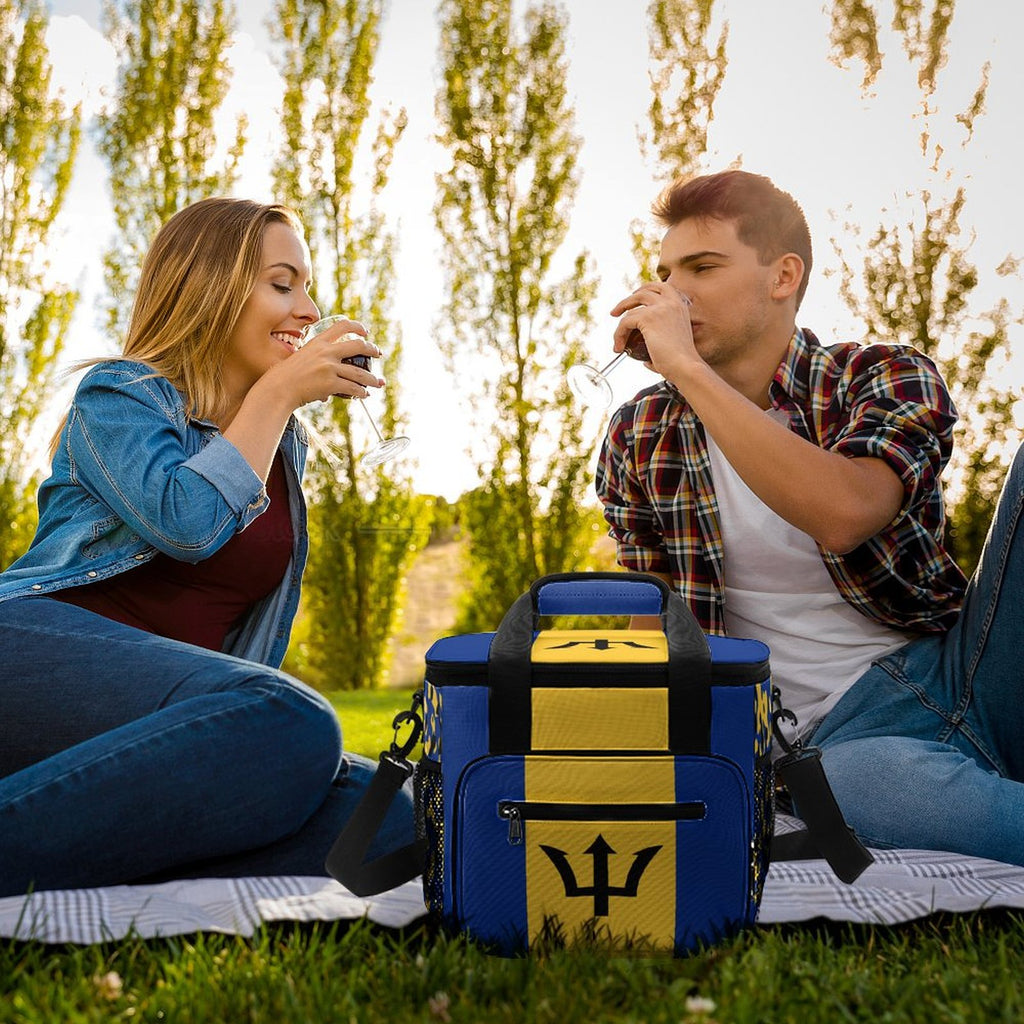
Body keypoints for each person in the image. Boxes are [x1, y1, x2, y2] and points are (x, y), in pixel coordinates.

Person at [596, 168, 1024, 865]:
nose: (673, 293)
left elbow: (848, 512)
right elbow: (662, 630)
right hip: (838, 744)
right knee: (851, 788)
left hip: (958, 672)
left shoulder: (881, 375)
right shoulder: (639, 434)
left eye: (703, 267)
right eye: (666, 272)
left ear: (783, 275)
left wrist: (690, 372)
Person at [0, 197, 413, 897]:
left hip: (154, 719)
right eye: (283, 284)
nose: (308, 309)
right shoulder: (118, 396)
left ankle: (70, 852)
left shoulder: (284, 449)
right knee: (294, 720)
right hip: (28, 659)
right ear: (209, 289)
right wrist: (278, 394)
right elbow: (187, 523)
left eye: (307, 287)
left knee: (391, 823)